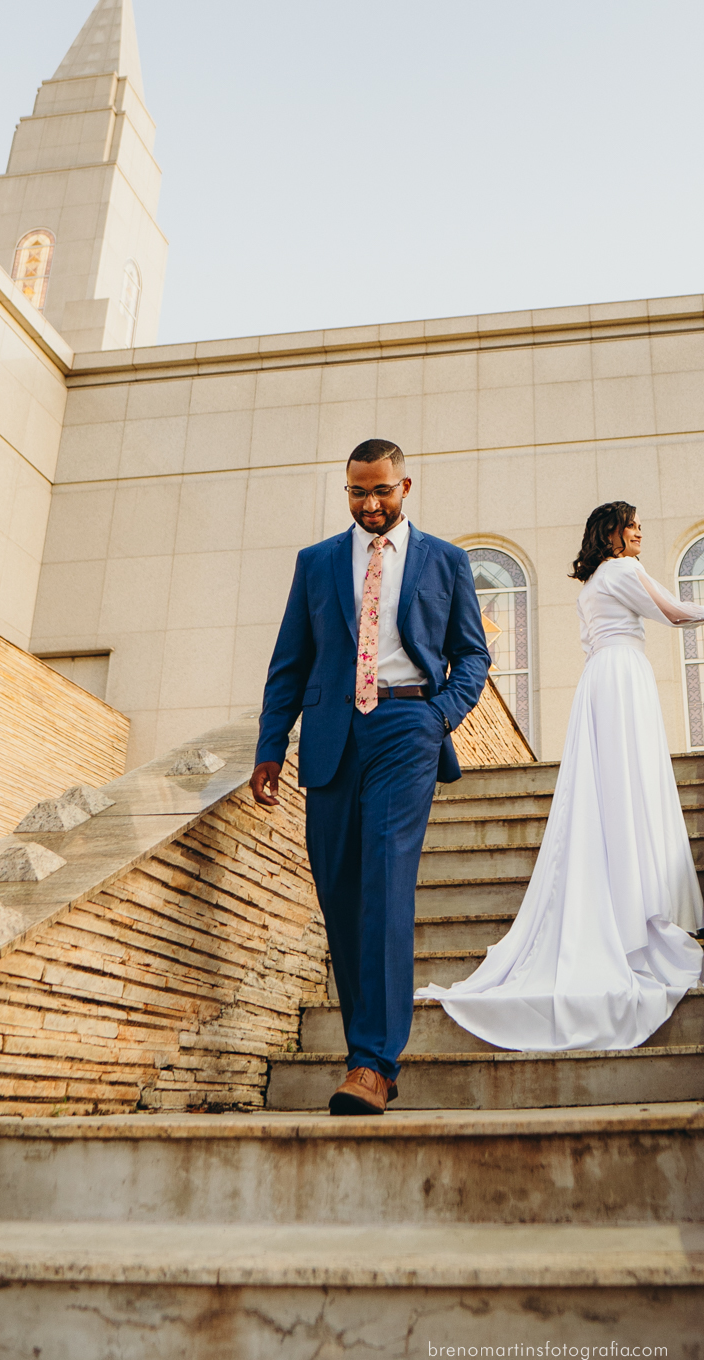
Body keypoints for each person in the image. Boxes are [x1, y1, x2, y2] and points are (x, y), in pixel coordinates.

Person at [417, 500, 704, 1052]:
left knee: (610, 790)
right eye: (634, 526)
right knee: (631, 785)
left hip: (601, 677)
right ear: (613, 534)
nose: (641, 533)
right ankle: (638, 920)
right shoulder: (622, 570)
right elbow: (674, 613)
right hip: (622, 677)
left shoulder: (591, 584)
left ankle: (627, 903)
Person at [250, 438, 490, 1115]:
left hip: (405, 728)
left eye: (381, 490)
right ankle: (367, 1049)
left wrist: (438, 716)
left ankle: (372, 1063)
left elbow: (472, 656)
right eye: (358, 492)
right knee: (341, 895)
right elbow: (289, 662)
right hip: (331, 737)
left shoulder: (445, 560)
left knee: (385, 885)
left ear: (405, 486)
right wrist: (272, 745)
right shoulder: (318, 562)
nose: (370, 503)